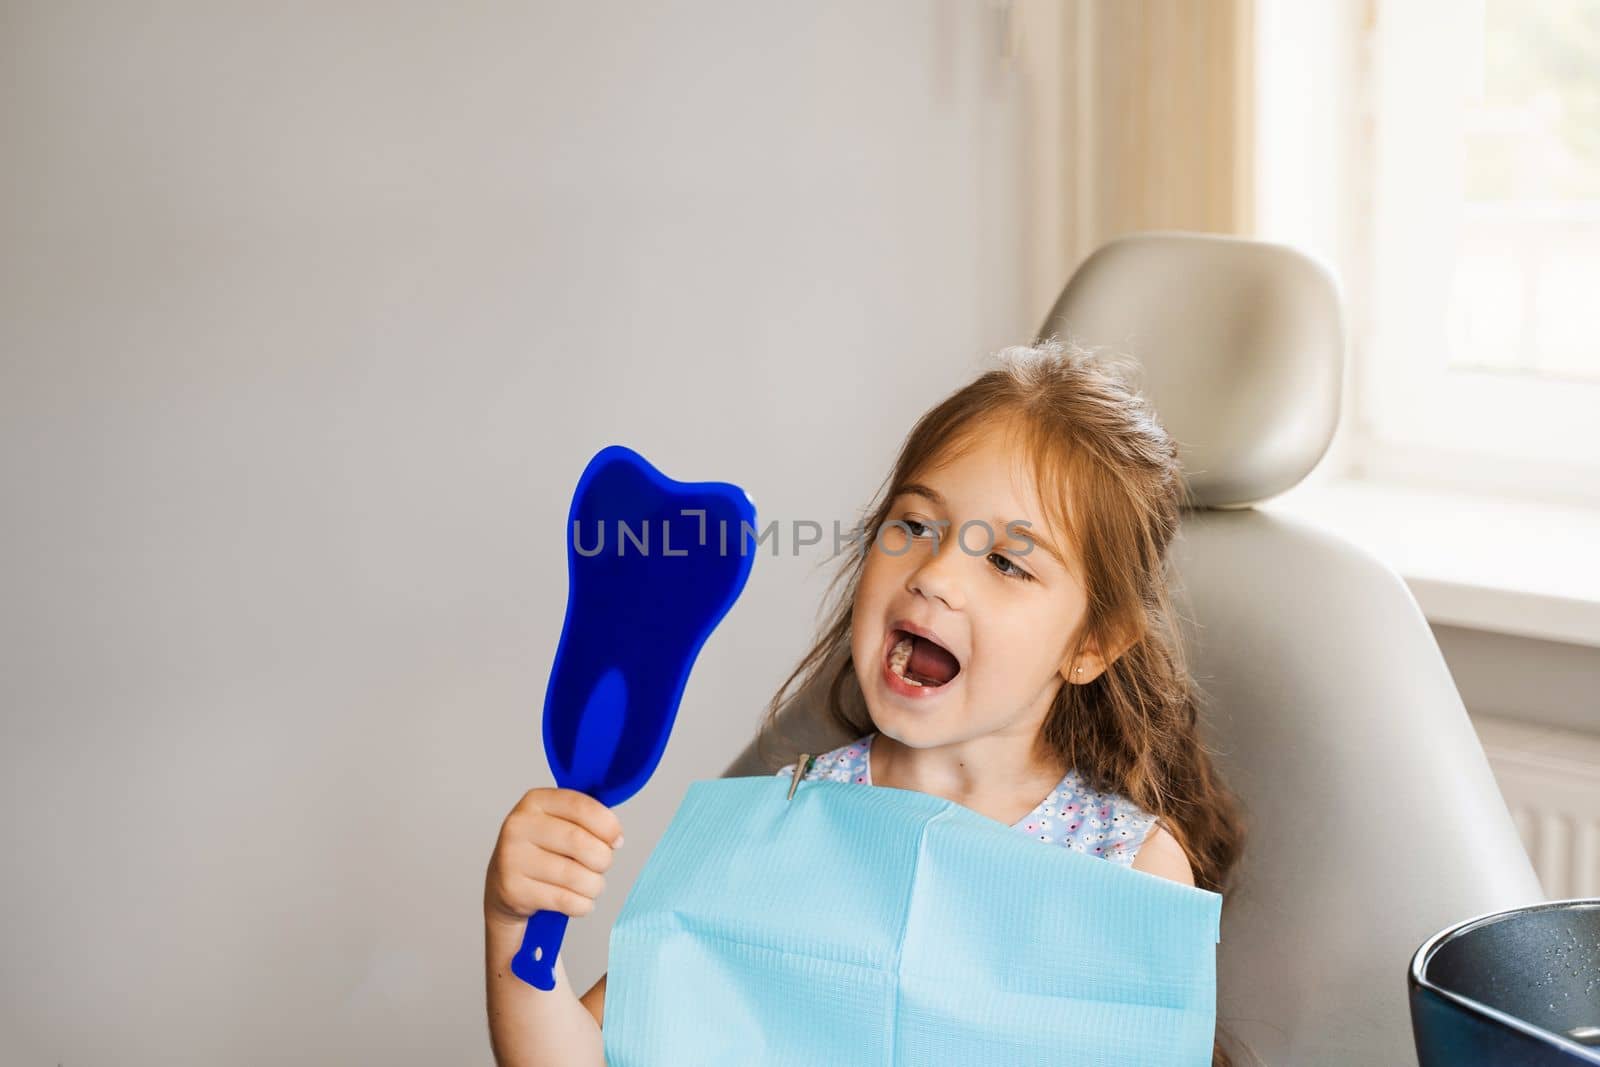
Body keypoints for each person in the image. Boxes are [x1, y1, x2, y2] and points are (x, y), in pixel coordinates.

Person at [483, 336, 1248, 1067]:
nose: (936, 574)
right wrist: (512, 926)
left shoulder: (1127, 870)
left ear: (1093, 644)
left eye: (1010, 563)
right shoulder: (786, 827)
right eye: (913, 524)